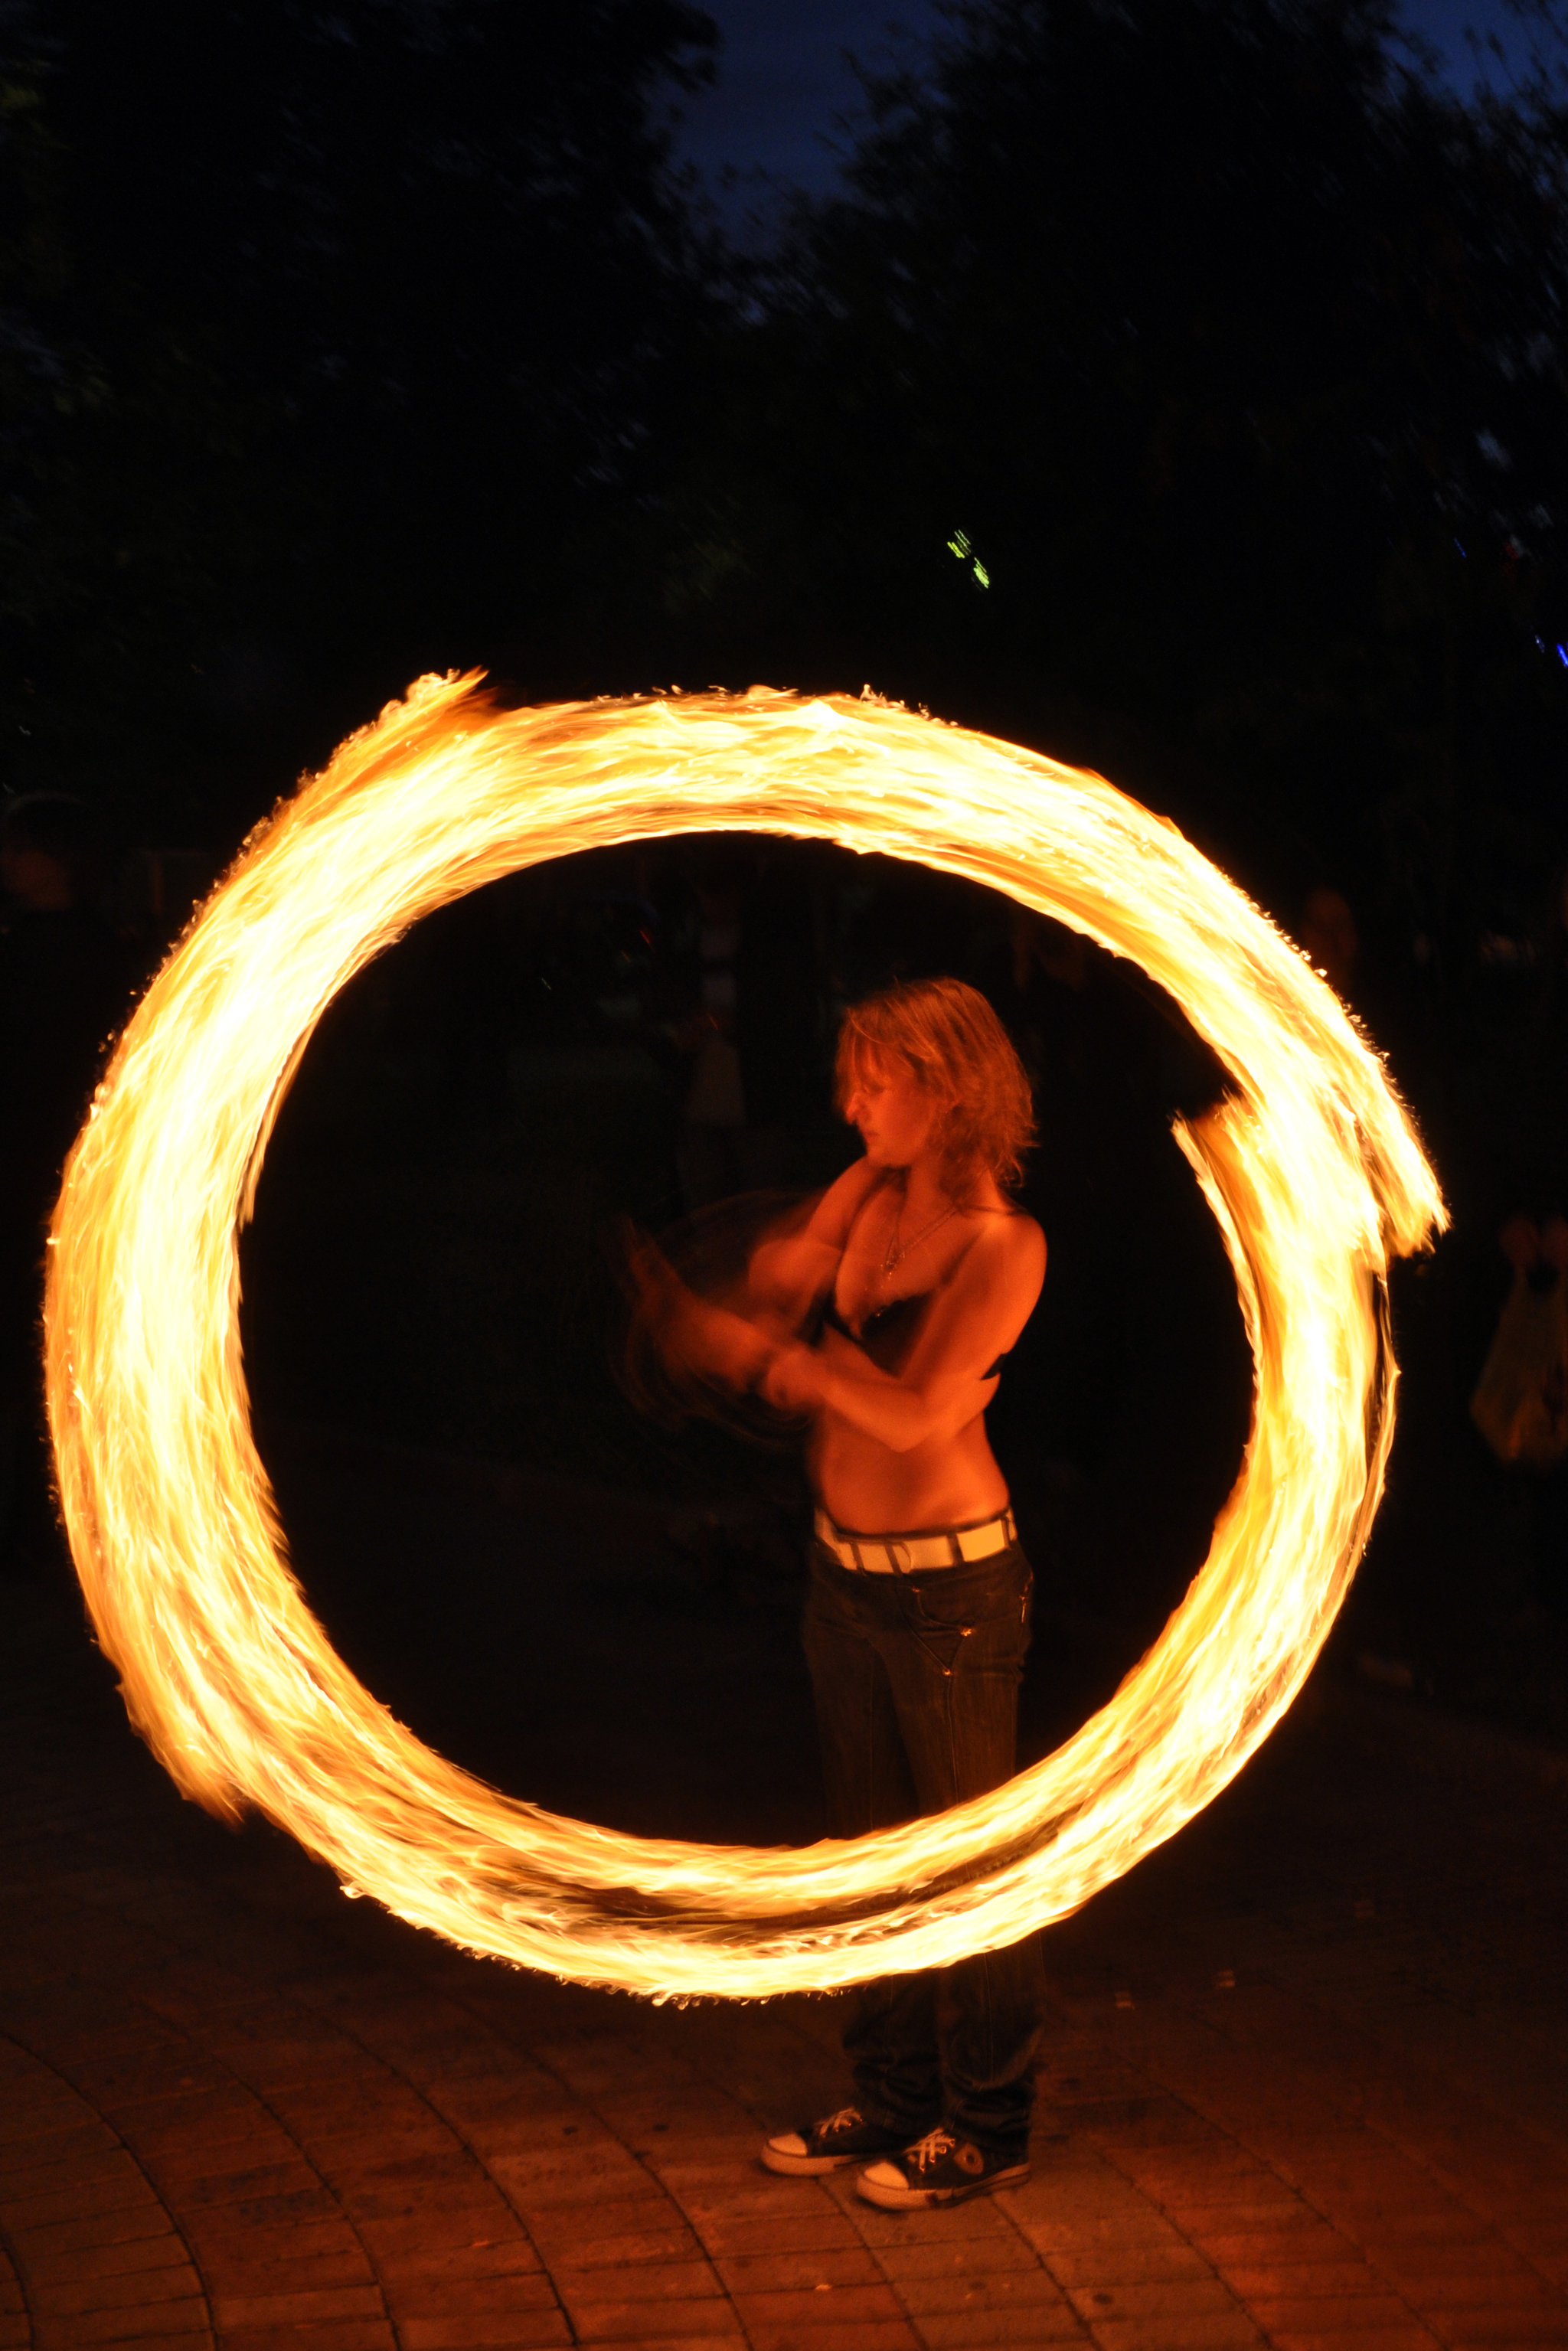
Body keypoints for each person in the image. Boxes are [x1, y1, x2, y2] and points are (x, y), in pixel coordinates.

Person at [627, 976, 1047, 2210]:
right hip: (842, 1577)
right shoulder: (865, 1193)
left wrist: (792, 1363)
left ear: (951, 1087)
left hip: (953, 1593)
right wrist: (728, 1314)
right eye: (850, 1075)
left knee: (967, 1863)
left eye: (878, 1079)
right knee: (870, 1853)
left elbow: (917, 1417)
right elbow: (779, 1294)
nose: (849, 1100)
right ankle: (897, 2093)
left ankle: (989, 2121)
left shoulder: (1001, 1245)